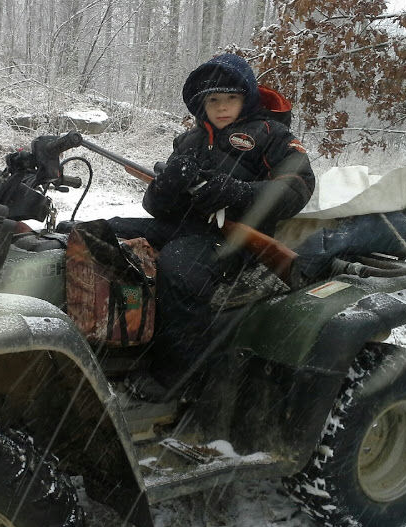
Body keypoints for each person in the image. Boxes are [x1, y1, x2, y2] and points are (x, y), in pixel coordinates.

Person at [109, 53, 315, 397]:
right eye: (213, 99)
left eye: (231, 98)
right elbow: (156, 208)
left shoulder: (273, 135)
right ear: (201, 104)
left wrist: (238, 192)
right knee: (106, 231)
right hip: (183, 227)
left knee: (178, 268)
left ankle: (180, 379)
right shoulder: (188, 141)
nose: (221, 107)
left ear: (247, 98)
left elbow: (297, 187)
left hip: (234, 239)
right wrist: (166, 185)